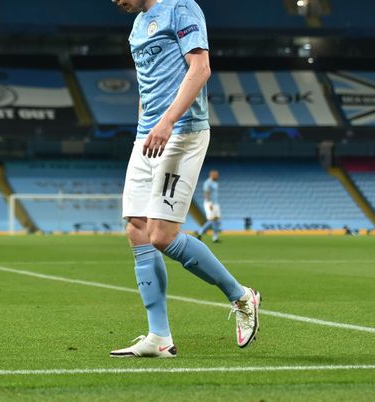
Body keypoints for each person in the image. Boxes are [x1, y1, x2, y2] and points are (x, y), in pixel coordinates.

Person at [109, 0, 260, 358]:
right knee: (136, 227)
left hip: (183, 131)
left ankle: (241, 296)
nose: (115, 1)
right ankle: (159, 337)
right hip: (148, 134)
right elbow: (147, 87)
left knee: (161, 236)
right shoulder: (137, 26)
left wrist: (167, 121)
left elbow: (201, 69)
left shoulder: (181, 8)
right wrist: (146, 126)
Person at [196, 169, 222, 242]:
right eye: (216, 174)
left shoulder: (215, 183)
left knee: (217, 220)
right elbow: (207, 193)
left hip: (215, 204)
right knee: (212, 219)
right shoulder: (207, 183)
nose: (217, 176)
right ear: (212, 175)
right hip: (209, 203)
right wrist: (209, 203)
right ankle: (200, 232)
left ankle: (215, 237)